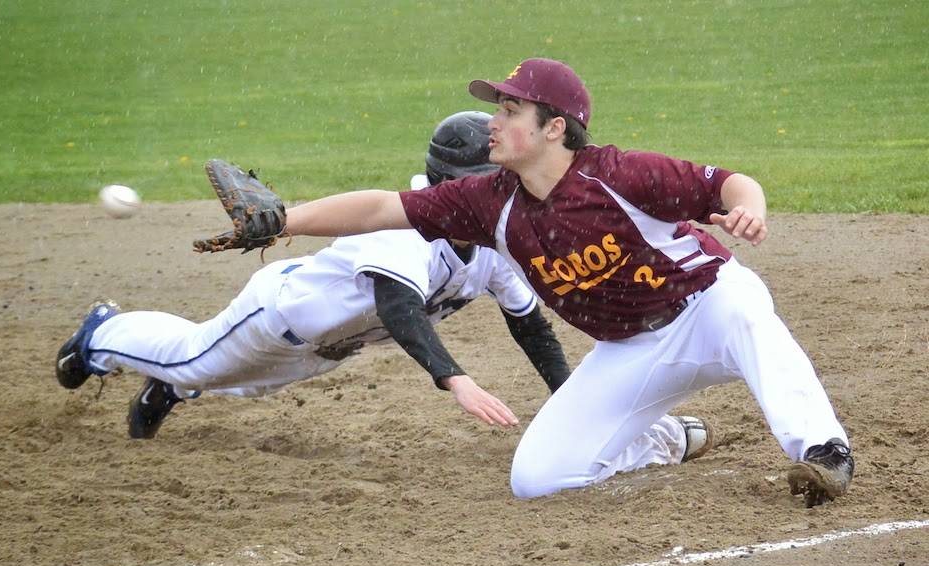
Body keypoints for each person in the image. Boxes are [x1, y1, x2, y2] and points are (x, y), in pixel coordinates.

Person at [274, 59, 855, 508]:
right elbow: (381, 208)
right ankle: (669, 441)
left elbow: (729, 183)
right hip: (633, 346)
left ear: (555, 128)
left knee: (749, 314)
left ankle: (824, 452)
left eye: (508, 110)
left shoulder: (618, 174)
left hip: (706, 305)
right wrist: (283, 222)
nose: (492, 122)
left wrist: (749, 208)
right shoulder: (490, 202)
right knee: (537, 479)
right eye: (496, 109)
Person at [55, 111, 573, 439]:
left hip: (330, 345)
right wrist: (456, 380)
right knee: (192, 358)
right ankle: (98, 334)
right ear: (453, 184)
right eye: (492, 184)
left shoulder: (491, 241)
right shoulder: (406, 225)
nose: (504, 194)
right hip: (280, 313)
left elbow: (528, 322)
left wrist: (568, 401)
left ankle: (169, 388)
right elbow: (398, 307)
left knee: (241, 385)